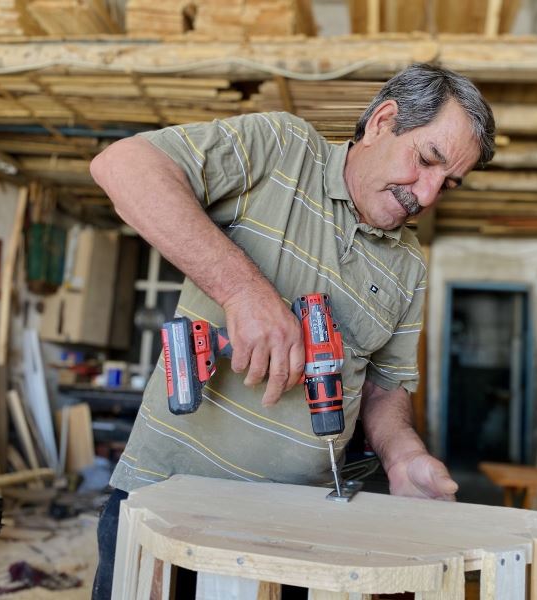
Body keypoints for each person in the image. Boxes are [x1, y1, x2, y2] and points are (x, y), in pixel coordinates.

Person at [89, 63, 495, 598]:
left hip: (300, 530)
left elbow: (384, 387)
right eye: (426, 160)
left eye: (448, 182)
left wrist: (403, 456)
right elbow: (124, 166)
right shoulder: (282, 149)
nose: (428, 192)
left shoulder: (409, 264)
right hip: (168, 507)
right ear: (383, 122)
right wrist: (243, 291)